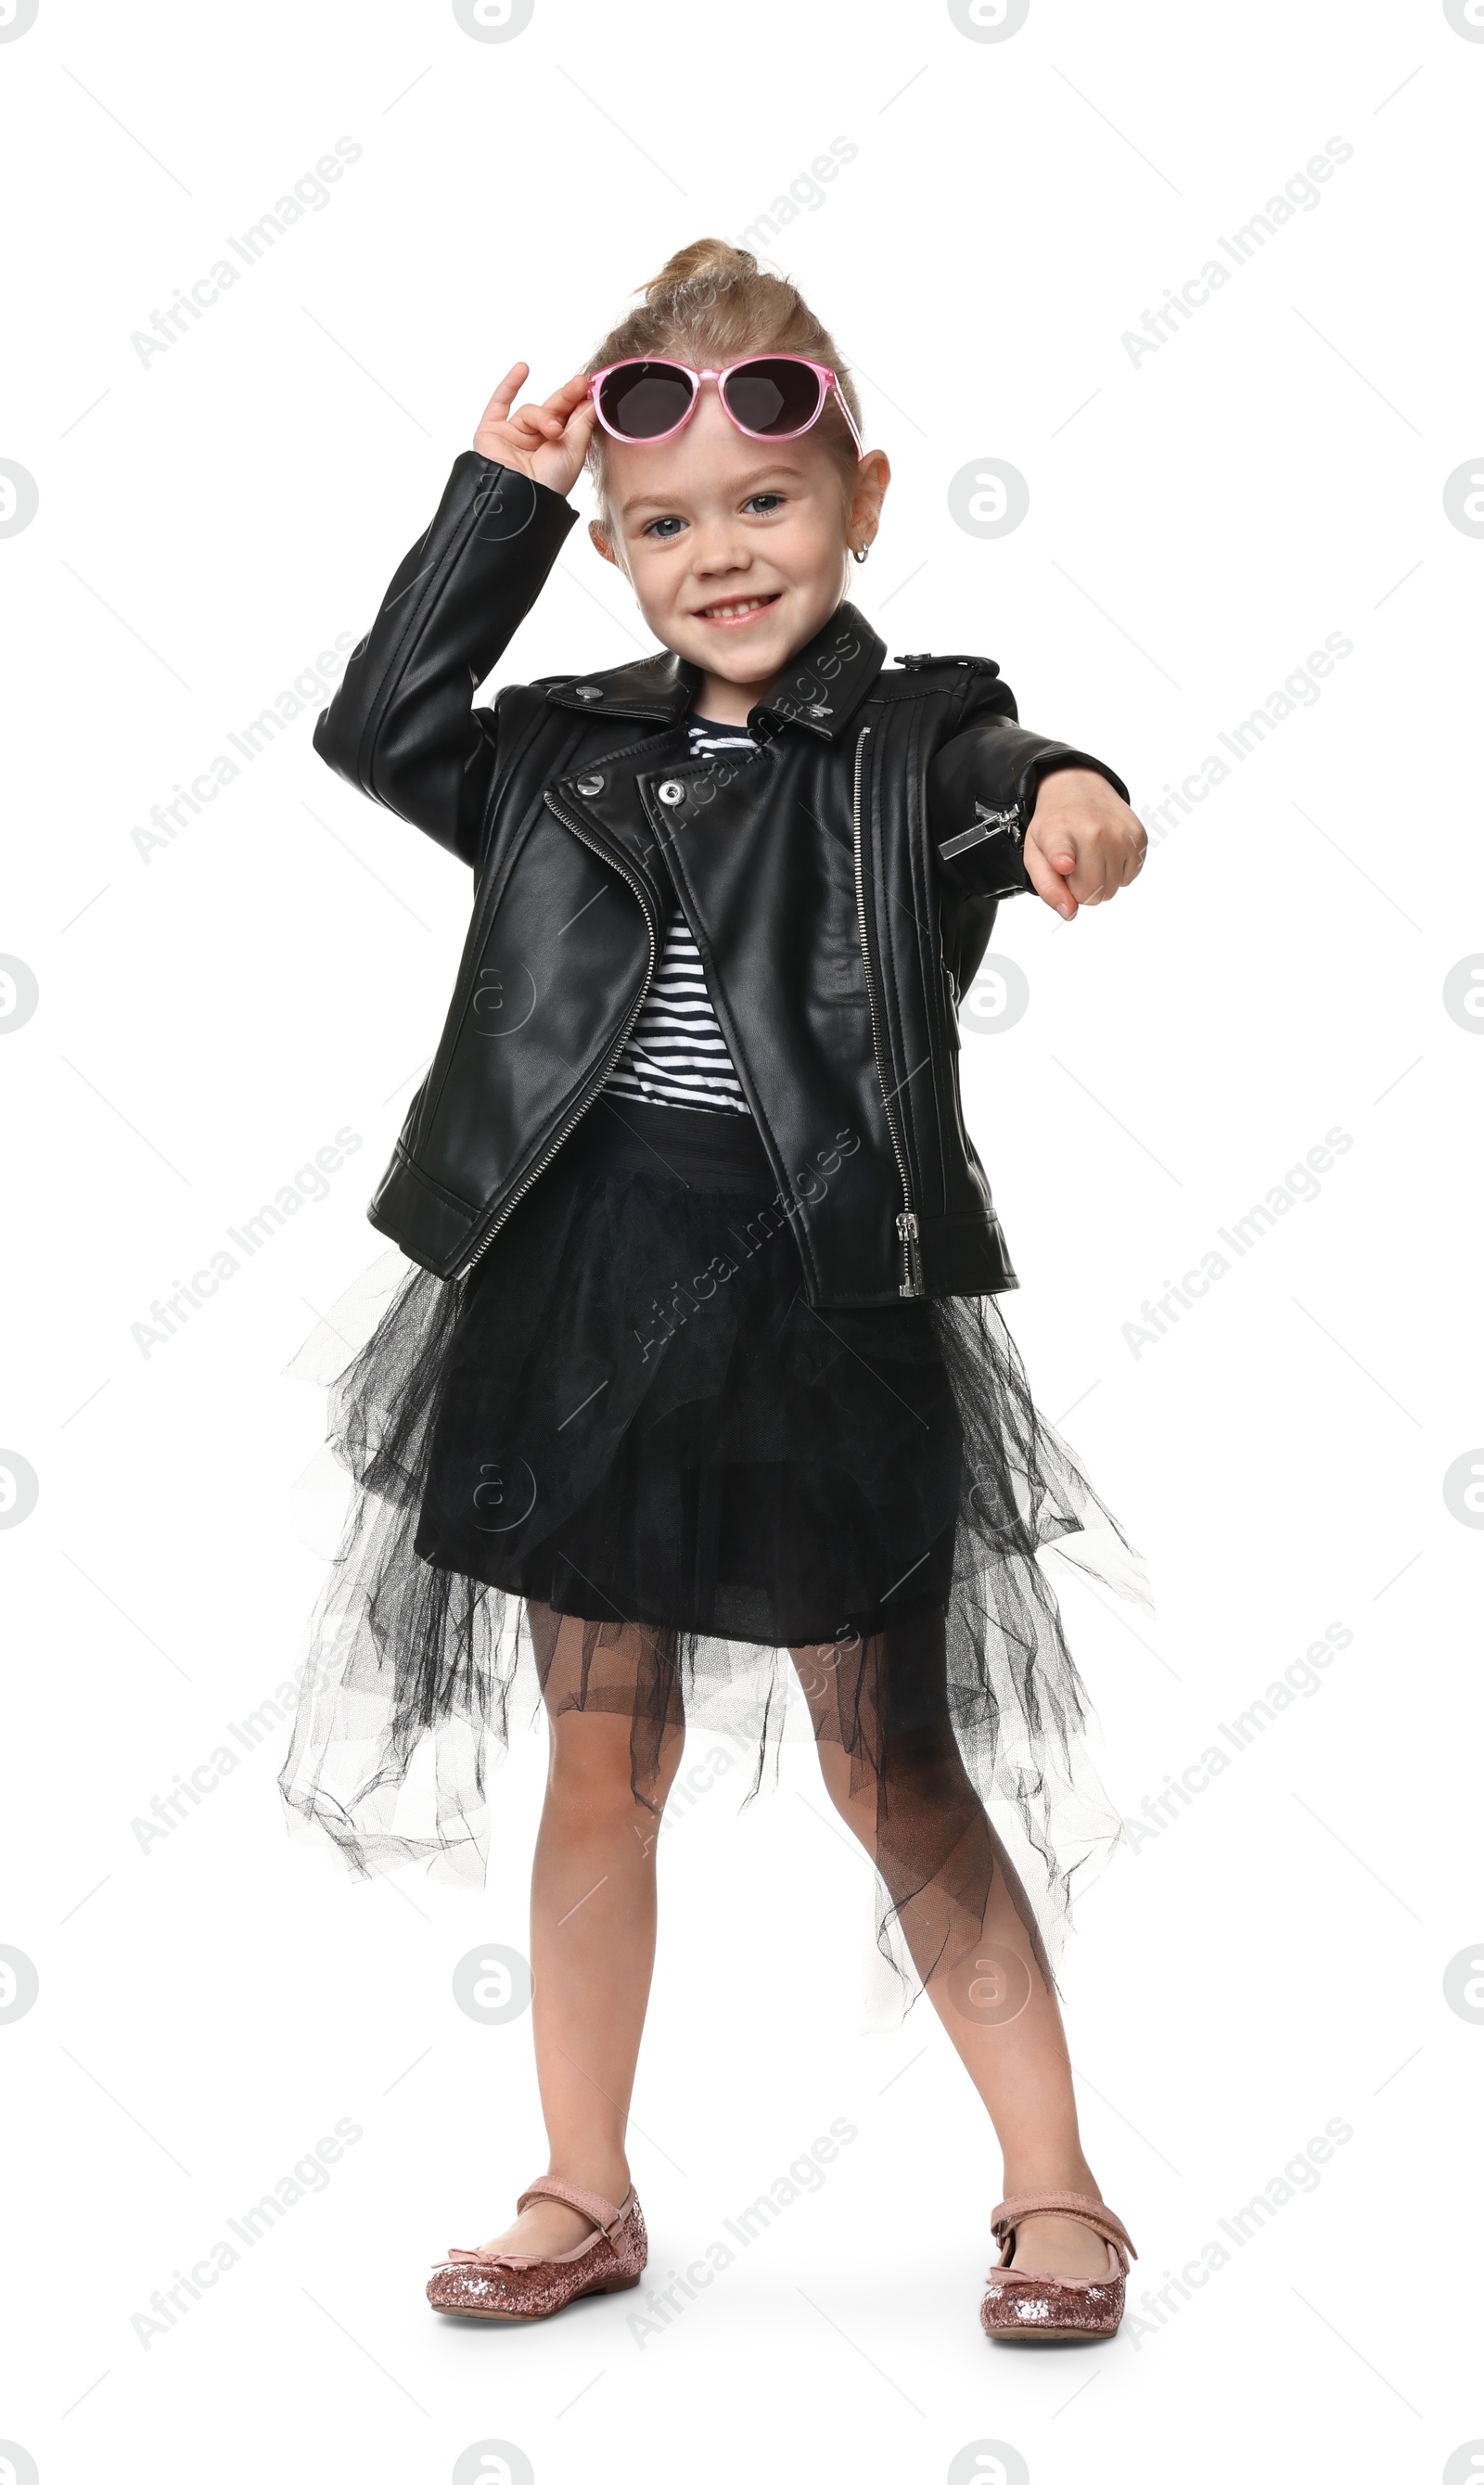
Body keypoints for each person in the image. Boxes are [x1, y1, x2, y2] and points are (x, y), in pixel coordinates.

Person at [278, 238, 1148, 2341]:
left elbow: (1016, 768)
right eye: (659, 524)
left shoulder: (909, 736)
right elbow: (376, 723)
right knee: (603, 1746)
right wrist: (494, 498)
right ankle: (581, 2184)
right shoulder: (557, 748)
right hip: (583, 1289)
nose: (719, 554)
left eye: (764, 502)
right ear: (611, 547)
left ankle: (1056, 2188)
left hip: (822, 1301)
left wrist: (1072, 807)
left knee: (892, 1755)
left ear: (859, 497)